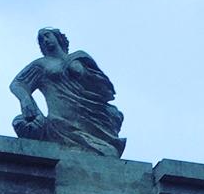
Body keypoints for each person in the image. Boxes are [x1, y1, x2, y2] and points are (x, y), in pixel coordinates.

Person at [10, 28, 126, 157]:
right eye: (41, 40)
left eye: (47, 36)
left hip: (90, 116)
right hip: (60, 122)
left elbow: (102, 86)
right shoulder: (41, 64)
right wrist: (26, 101)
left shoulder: (80, 56)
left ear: (58, 37)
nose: (45, 40)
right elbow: (18, 84)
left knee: (109, 152)